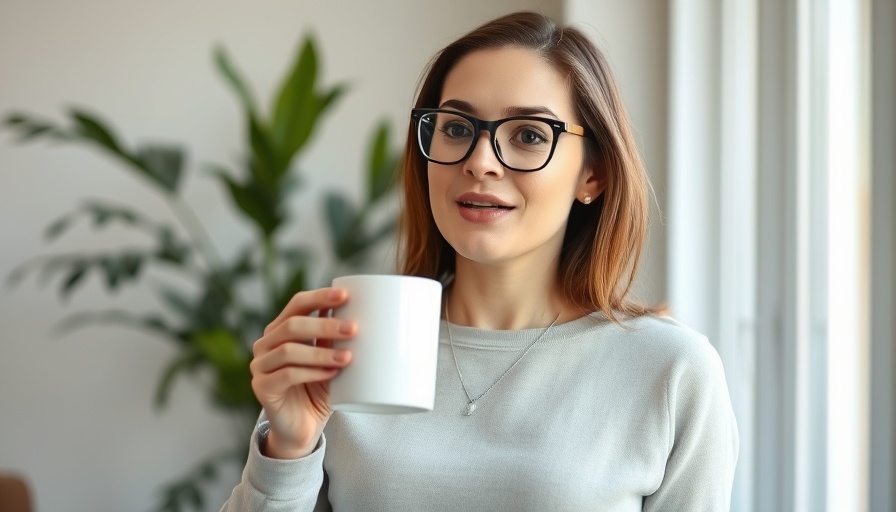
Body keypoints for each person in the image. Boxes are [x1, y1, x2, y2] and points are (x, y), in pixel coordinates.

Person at [221, 11, 738, 512]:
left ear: (592, 176)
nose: (480, 162)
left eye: (530, 135)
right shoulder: (352, 348)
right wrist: (286, 449)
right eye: (456, 128)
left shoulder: (672, 373)